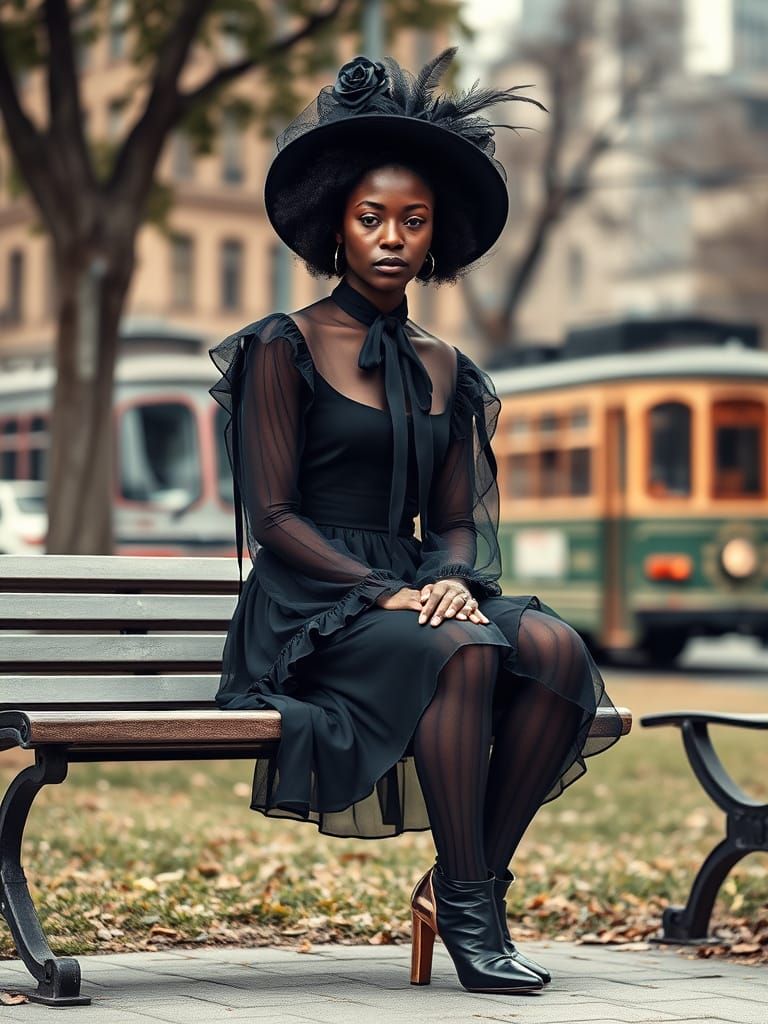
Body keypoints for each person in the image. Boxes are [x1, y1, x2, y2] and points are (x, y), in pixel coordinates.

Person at [209, 48, 623, 996]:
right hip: (312, 602)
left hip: (418, 591)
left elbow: (458, 523)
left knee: (555, 648)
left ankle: (458, 884)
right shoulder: (285, 347)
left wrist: (446, 578)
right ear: (338, 230)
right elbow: (271, 516)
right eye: (371, 219)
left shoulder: (446, 367)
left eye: (412, 221)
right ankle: (478, 913)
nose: (391, 237)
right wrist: (389, 588)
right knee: (469, 651)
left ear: (433, 238)